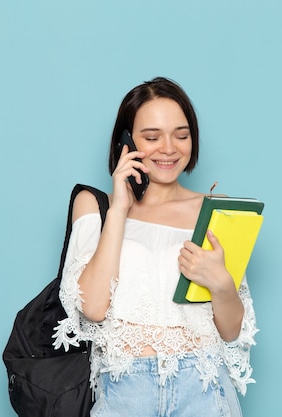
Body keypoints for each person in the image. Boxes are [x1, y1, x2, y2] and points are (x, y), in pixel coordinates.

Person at [53, 77, 258, 417]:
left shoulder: (215, 209)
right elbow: (91, 308)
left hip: (204, 390)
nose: (169, 148)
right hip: (123, 392)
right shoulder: (96, 206)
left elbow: (232, 329)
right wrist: (120, 208)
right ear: (125, 141)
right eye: (151, 137)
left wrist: (221, 284)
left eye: (181, 134)